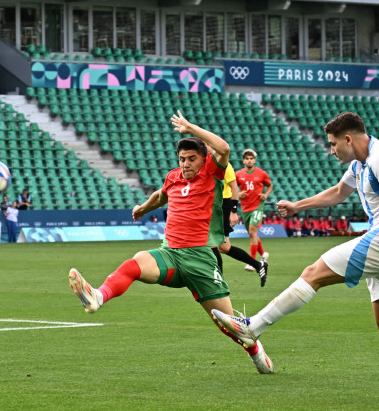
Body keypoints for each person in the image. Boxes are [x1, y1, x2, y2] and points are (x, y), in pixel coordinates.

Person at [212, 112, 379, 390]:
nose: (331, 150)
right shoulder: (361, 161)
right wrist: (298, 206)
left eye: (333, 144)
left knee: (314, 273)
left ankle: (253, 327)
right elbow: (338, 193)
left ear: (348, 139)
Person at [68, 111, 274, 373]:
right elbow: (159, 196)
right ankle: (98, 296)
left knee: (229, 324)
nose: (186, 164)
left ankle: (256, 352)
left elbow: (223, 148)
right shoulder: (173, 177)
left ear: (203, 160)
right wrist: (143, 209)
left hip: (200, 259)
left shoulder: (211, 173)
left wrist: (189, 127)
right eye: (182, 159)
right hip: (171, 255)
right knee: (136, 262)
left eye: (191, 159)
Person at [209, 146, 267, 286]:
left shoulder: (224, 165)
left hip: (222, 206)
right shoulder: (208, 163)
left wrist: (233, 211)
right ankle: (259, 265)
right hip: (214, 205)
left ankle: (219, 281)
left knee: (212, 244)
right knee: (224, 247)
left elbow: (234, 187)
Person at [235, 149, 273, 270]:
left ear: (254, 160)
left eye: (251, 158)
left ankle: (252, 262)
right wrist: (239, 193)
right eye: (247, 159)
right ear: (243, 161)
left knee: (252, 232)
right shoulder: (238, 174)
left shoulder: (262, 173)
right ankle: (263, 254)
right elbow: (232, 188)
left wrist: (265, 195)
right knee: (253, 234)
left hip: (258, 206)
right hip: (245, 207)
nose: (249, 160)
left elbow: (270, 185)